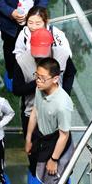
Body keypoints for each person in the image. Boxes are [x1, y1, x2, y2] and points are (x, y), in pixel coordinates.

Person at [25, 58, 83, 184]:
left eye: (43, 78)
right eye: (37, 76)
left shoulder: (62, 104)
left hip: (56, 141)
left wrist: (54, 159)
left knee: (57, 177)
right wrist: (28, 137)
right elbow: (35, 111)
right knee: (39, 170)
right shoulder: (40, 88)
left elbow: (64, 135)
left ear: (55, 79)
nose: (38, 80)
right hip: (41, 137)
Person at [13, 8, 76, 136]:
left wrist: (65, 94)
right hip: (31, 112)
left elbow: (71, 72)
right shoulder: (22, 61)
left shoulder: (62, 54)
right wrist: (40, 82)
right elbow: (17, 90)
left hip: (57, 111)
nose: (39, 57)